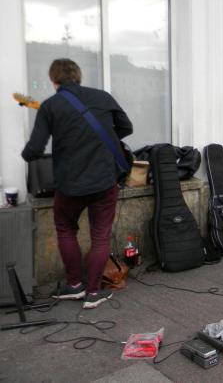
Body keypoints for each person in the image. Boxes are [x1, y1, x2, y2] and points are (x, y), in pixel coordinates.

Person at [22, 59, 133, 309]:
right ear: (79, 77)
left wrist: (30, 154)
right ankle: (94, 293)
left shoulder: (50, 106)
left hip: (69, 185)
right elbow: (126, 127)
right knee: (100, 235)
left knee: (65, 228)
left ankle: (74, 286)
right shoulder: (103, 97)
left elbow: (34, 150)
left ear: (54, 80)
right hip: (104, 182)